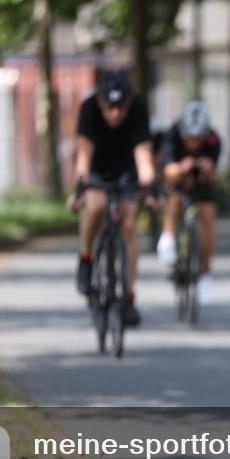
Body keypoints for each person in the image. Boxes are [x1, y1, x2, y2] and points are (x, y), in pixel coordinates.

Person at [67, 70, 158, 326]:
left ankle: (128, 297)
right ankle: (85, 259)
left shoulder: (139, 108)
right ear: (100, 102)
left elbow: (144, 158)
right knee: (96, 206)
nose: (115, 113)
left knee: (128, 224)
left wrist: (151, 190)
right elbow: (83, 158)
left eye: (121, 107)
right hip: (97, 165)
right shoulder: (88, 109)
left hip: (126, 166)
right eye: (109, 107)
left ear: (129, 102)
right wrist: (79, 191)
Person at [155, 100, 221, 304]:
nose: (193, 144)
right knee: (175, 194)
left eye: (197, 139)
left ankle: (205, 271)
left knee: (207, 216)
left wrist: (206, 167)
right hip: (177, 177)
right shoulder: (172, 136)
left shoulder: (213, 140)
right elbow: (167, 170)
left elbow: (212, 173)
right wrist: (183, 167)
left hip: (201, 182)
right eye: (189, 139)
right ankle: (167, 237)